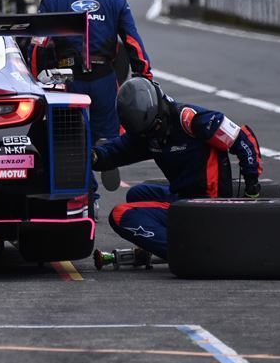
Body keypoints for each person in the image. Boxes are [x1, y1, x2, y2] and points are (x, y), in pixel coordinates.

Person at [91, 77, 263, 262]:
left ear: (160, 112)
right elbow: (117, 150)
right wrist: (91, 156)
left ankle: (190, 253)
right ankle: (181, 241)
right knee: (137, 194)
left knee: (120, 214)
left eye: (153, 128)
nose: (151, 135)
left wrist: (251, 186)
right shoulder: (147, 133)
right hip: (183, 197)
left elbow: (242, 139)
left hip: (208, 205)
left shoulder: (191, 120)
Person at [32, 0, 153, 144]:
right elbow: (133, 43)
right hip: (104, 78)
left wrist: (36, 81)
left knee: (69, 139)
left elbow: (38, 49)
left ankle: (83, 173)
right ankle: (105, 166)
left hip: (66, 79)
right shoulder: (117, 1)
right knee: (110, 139)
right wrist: (145, 75)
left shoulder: (51, 3)